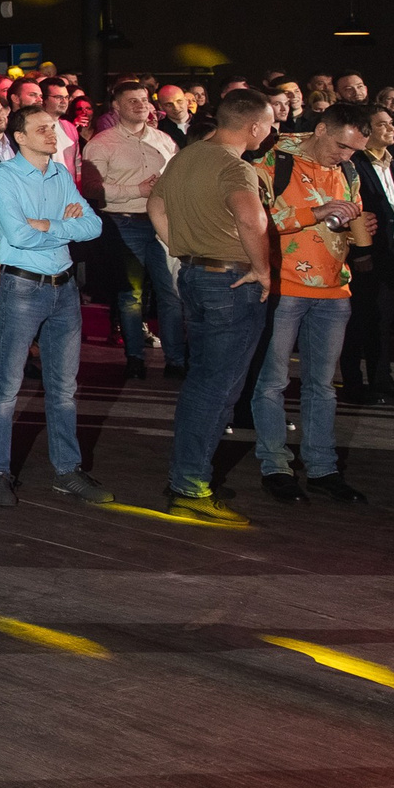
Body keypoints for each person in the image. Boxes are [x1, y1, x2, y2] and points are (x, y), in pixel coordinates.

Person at [151, 89, 273, 523]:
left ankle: (187, 475)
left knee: (203, 381)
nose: (271, 130)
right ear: (254, 126)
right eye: (270, 123)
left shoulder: (187, 156)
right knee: (217, 387)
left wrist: (183, 247)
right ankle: (189, 484)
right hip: (231, 281)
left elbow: (155, 205)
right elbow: (251, 218)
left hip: (196, 276)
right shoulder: (235, 166)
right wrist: (262, 269)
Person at [0, 106, 108, 507]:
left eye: (52, 127)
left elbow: (94, 227)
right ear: (19, 137)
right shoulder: (3, 177)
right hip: (23, 287)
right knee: (6, 386)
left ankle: (67, 470)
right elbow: (17, 236)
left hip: (64, 288)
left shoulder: (60, 174)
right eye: (42, 129)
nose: (53, 134)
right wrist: (62, 228)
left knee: (64, 388)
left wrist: (46, 225)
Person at [251, 101, 376, 503]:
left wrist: (358, 225)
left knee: (322, 386)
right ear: (321, 129)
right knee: (272, 382)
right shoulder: (272, 160)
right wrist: (316, 210)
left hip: (335, 289)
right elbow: (257, 220)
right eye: (342, 146)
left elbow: (344, 225)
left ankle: (322, 468)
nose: (346, 156)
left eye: (354, 150)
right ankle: (275, 465)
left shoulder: (350, 169)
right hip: (286, 286)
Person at [84, 80, 184, 380]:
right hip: (124, 222)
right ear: (116, 106)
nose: (141, 105)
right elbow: (91, 188)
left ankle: (176, 360)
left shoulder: (165, 141)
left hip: (162, 222)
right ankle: (135, 358)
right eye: (133, 101)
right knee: (131, 296)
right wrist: (136, 190)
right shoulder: (101, 143)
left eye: (144, 100)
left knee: (171, 293)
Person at [345, 105, 394, 405]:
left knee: (383, 318)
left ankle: (381, 377)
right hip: (366, 252)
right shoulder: (353, 164)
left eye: (391, 123)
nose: (389, 129)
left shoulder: (391, 162)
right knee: (361, 318)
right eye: (381, 125)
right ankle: (353, 381)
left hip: (390, 253)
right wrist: (361, 251)